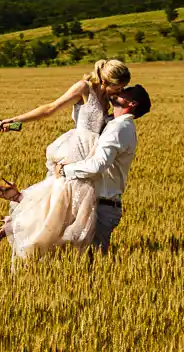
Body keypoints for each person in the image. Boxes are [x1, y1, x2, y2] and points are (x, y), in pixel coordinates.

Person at [0, 58, 131, 259]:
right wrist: (16, 120)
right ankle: (20, 227)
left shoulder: (110, 99)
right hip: (77, 149)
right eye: (118, 87)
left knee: (73, 206)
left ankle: (14, 219)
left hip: (91, 153)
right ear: (106, 81)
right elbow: (50, 108)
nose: (121, 92)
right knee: (61, 199)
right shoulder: (84, 88)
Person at [60, 83, 151, 254]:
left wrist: (66, 170)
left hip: (101, 209)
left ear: (132, 104)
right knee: (78, 262)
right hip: (95, 204)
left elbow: (98, 165)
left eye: (125, 93)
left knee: (89, 264)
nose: (119, 93)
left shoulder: (119, 128)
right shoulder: (113, 124)